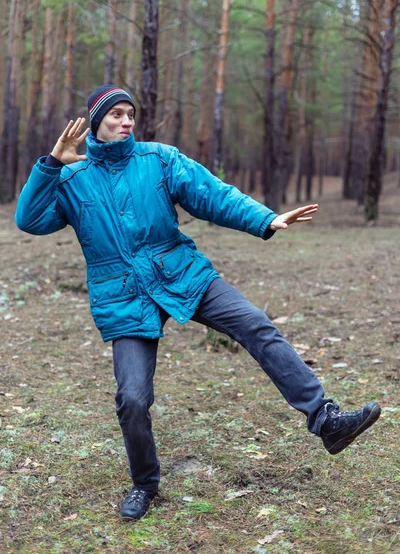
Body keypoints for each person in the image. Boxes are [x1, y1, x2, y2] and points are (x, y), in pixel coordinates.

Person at [15, 84, 381, 522]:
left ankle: (326, 420)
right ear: (96, 122)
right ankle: (145, 484)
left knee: (255, 323)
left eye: (131, 113)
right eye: (116, 115)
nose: (126, 121)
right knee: (132, 399)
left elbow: (212, 194)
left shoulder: (158, 159)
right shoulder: (72, 179)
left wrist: (265, 218)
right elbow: (30, 219)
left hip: (182, 272)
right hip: (124, 296)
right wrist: (53, 164)